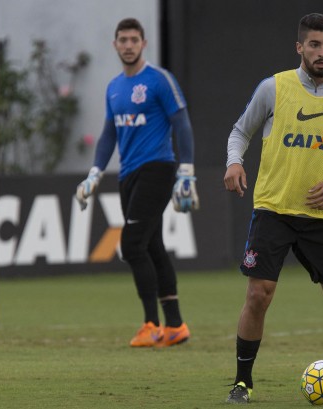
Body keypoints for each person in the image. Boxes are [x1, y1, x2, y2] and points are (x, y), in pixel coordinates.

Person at [223, 13, 323, 404]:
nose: (322, 52)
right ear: (300, 47)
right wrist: (234, 162)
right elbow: (241, 131)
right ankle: (242, 382)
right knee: (259, 294)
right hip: (275, 207)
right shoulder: (274, 88)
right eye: (314, 45)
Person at [75, 18, 199, 348]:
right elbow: (109, 133)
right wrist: (94, 173)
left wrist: (186, 172)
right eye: (123, 40)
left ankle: (150, 325)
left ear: (143, 44)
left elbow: (182, 123)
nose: (128, 45)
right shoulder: (114, 87)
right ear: (114, 45)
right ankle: (175, 326)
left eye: (134, 39)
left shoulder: (159, 80)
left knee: (131, 245)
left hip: (157, 168)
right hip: (128, 175)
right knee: (151, 245)